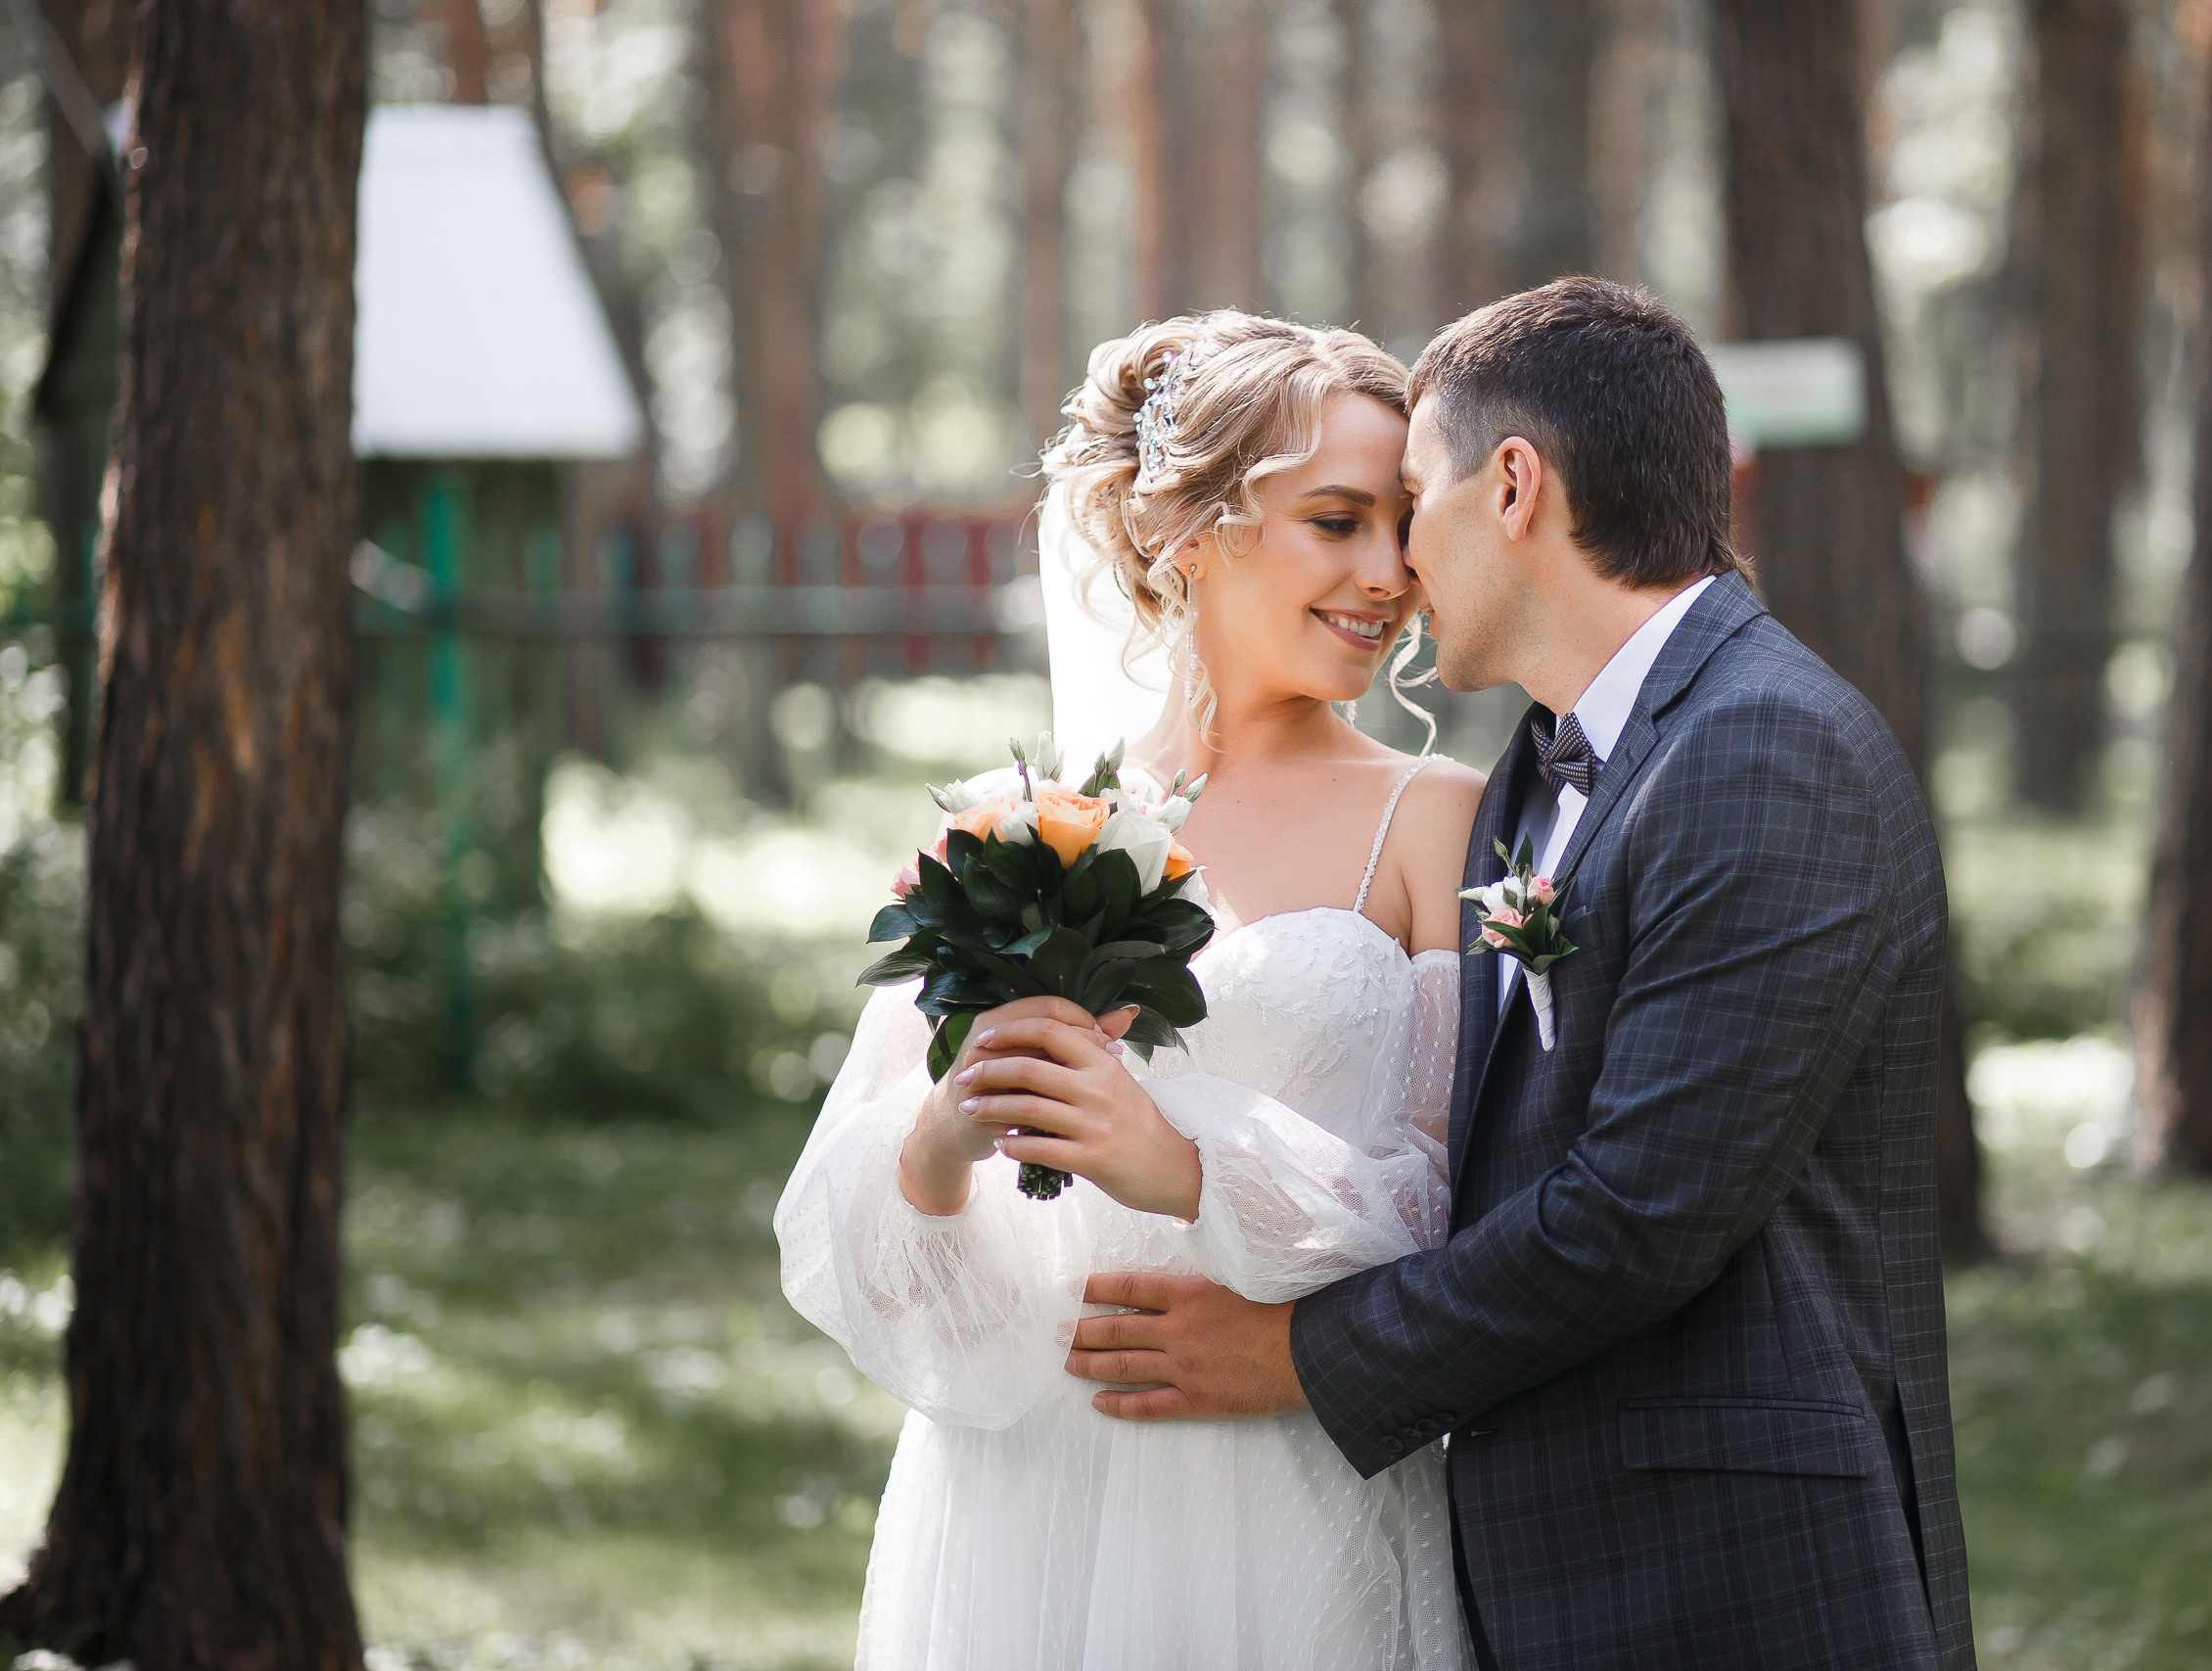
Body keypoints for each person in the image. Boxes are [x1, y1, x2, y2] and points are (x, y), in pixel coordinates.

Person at [1064, 278, 1978, 1671]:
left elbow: (1638, 1216)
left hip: (1732, 1580)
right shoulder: (1544, 773)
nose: (1400, 564)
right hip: (1552, 1559)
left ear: (1510, 487)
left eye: (1411, 501)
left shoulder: (1762, 747)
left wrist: (1295, 1353)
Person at [772, 309, 1486, 1670]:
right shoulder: (1024, 826)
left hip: (1286, 1485)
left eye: (1402, 525)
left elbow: (1459, 1205)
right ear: (1182, 529)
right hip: (1026, 1498)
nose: (1390, 573)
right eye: (1337, 521)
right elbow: (875, 1253)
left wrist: (1184, 1167)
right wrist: (946, 1135)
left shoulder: (1436, 818)